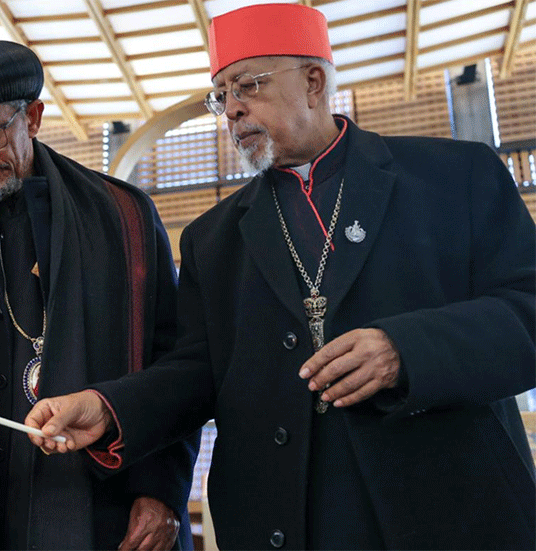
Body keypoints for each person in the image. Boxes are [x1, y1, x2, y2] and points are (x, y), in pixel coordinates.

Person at [26, 4, 536, 550]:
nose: (233, 111)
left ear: (314, 82)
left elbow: (527, 309)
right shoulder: (213, 237)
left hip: (448, 508)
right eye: (221, 96)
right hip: (288, 519)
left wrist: (404, 350)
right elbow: (197, 372)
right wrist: (108, 408)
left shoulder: (454, 176)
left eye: (249, 86)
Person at [0, 41, 199, 550]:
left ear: (32, 118)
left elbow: (178, 366)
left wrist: (161, 491)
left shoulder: (123, 216)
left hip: (102, 506)